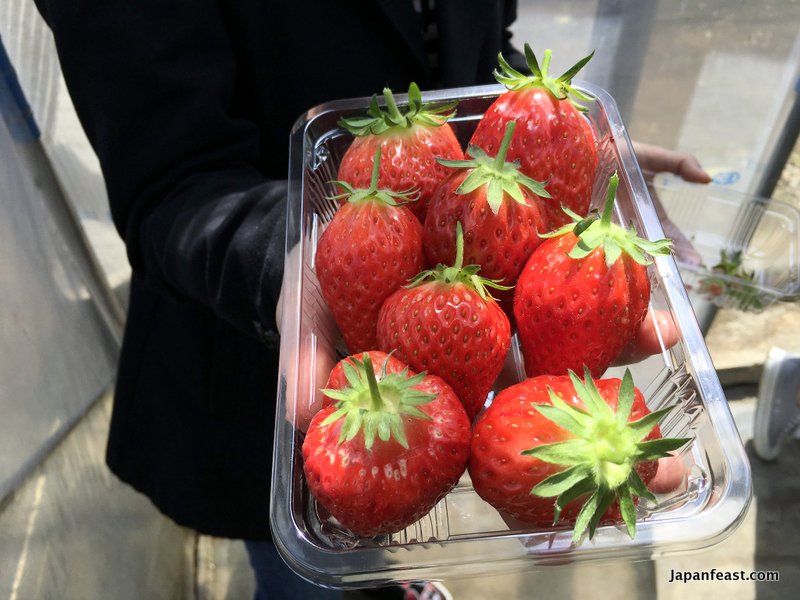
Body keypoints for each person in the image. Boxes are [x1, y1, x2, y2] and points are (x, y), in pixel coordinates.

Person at [31, 1, 710, 598]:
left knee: (378, 519)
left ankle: (392, 578)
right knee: (307, 573)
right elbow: (170, 180)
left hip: (456, 256)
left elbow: (472, 37)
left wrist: (542, 137)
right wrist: (312, 253)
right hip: (242, 372)